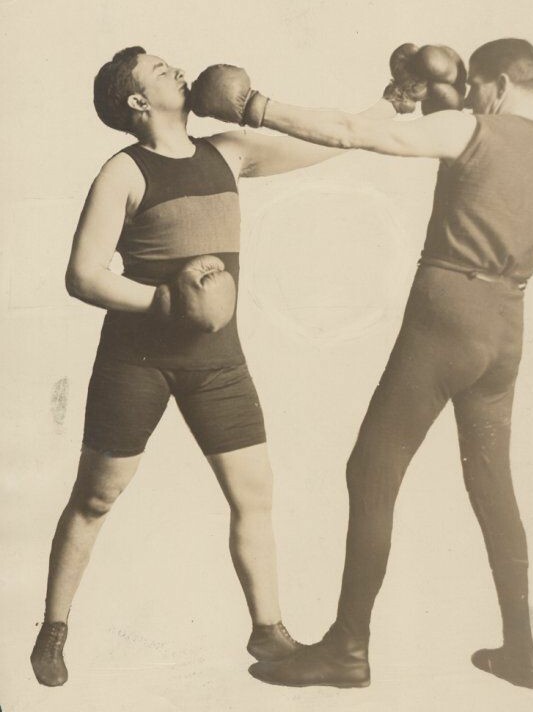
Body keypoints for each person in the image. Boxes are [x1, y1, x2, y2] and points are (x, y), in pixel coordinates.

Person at [190, 39, 533, 690]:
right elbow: (474, 163)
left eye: (479, 89)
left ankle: (347, 648)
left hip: (447, 316)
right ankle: (520, 651)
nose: (476, 99)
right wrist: (422, 93)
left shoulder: (476, 127)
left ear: (501, 84)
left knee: (371, 469)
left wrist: (254, 106)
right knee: (492, 486)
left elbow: (350, 133)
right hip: (506, 327)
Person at [29, 46, 396, 687]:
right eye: (157, 68)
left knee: (255, 495)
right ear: (137, 102)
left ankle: (269, 632)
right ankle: (54, 628)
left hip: (218, 361)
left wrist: (387, 108)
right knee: (95, 497)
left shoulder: (227, 151)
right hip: (138, 359)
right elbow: (83, 275)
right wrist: (163, 300)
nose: (175, 67)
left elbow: (329, 142)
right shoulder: (123, 171)